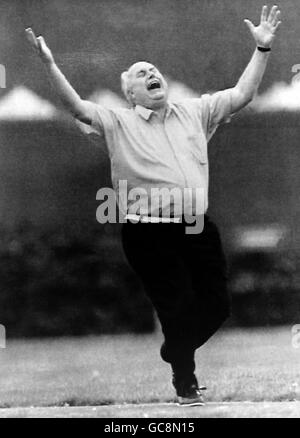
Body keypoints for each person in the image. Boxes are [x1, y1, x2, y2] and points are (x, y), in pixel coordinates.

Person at [26, 5, 281, 406]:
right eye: (140, 74)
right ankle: (186, 381)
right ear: (130, 93)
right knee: (176, 305)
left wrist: (262, 50)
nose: (151, 74)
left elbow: (242, 94)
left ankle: (173, 350)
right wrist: (51, 65)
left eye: (153, 69)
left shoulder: (196, 111)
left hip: (196, 226)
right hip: (148, 230)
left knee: (217, 306)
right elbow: (76, 106)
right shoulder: (117, 121)